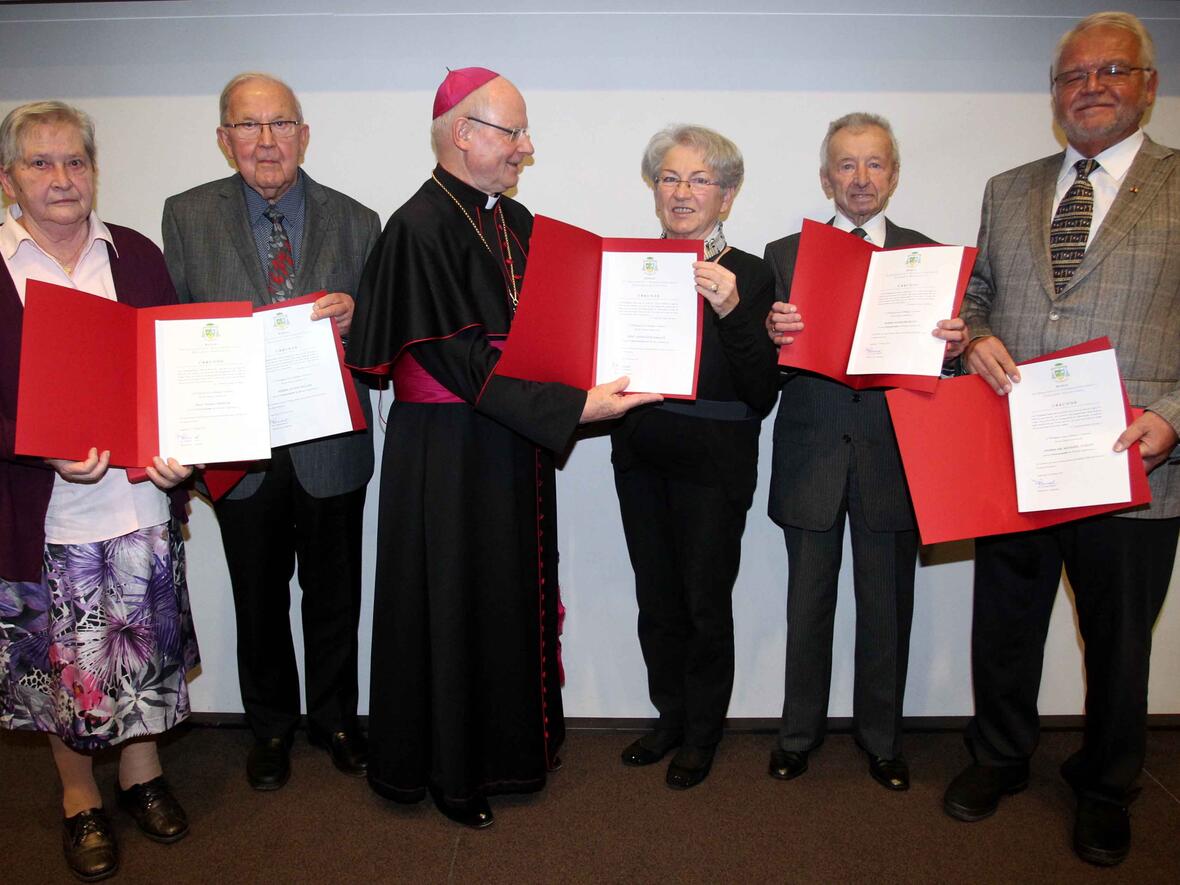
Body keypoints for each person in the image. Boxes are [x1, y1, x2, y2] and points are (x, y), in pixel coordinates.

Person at [346, 67, 659, 829]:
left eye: (523, 133)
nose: (526, 147)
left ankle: (514, 751)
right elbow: (462, 361)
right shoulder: (419, 227)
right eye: (513, 132)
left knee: (507, 594)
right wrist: (575, 406)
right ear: (464, 133)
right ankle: (453, 773)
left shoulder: (513, 220)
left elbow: (551, 329)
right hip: (448, 454)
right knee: (455, 601)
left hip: (509, 441)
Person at [943, 12, 1179, 867]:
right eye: (1074, 75)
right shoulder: (1008, 188)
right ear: (1054, 94)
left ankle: (1107, 785)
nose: (1091, 87)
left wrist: (1175, 414)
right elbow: (975, 296)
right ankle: (1000, 754)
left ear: (1149, 84)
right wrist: (974, 337)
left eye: (1112, 70)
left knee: (1118, 641)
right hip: (1017, 453)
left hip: (1131, 457)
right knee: (1004, 622)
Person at [161, 72, 380, 790]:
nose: (265, 141)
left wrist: (359, 321)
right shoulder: (186, 216)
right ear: (224, 139)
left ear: (304, 135)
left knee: (335, 594)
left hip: (331, 447)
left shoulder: (359, 220)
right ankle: (271, 727)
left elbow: (385, 344)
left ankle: (336, 720)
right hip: (238, 452)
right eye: (248, 125)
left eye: (280, 124)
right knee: (256, 598)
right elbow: (174, 339)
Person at [0, 101, 199, 882]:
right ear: (9, 178)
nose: (61, 178)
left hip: (137, 504)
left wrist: (185, 451)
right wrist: (36, 444)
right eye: (40, 162)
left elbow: (178, 372)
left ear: (94, 171)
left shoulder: (136, 254)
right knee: (58, 670)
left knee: (141, 653)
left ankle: (142, 776)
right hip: (40, 515)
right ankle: (79, 795)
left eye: (75, 161)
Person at [763, 113, 967, 791]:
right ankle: (798, 735)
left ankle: (883, 740)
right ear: (826, 178)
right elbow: (763, 368)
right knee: (807, 609)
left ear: (894, 174)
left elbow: (944, 374)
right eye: (845, 165)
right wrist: (771, 338)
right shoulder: (784, 255)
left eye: (874, 163)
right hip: (812, 455)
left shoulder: (929, 257)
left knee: (887, 609)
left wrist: (953, 349)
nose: (860, 178)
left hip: (892, 458)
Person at [614, 125, 778, 789]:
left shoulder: (754, 274)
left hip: (715, 462)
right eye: (670, 178)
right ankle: (670, 717)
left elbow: (762, 391)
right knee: (656, 599)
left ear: (726, 196)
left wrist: (732, 309)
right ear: (655, 189)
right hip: (641, 451)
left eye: (700, 180)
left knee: (705, 603)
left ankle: (702, 733)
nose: (682, 192)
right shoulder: (631, 268)